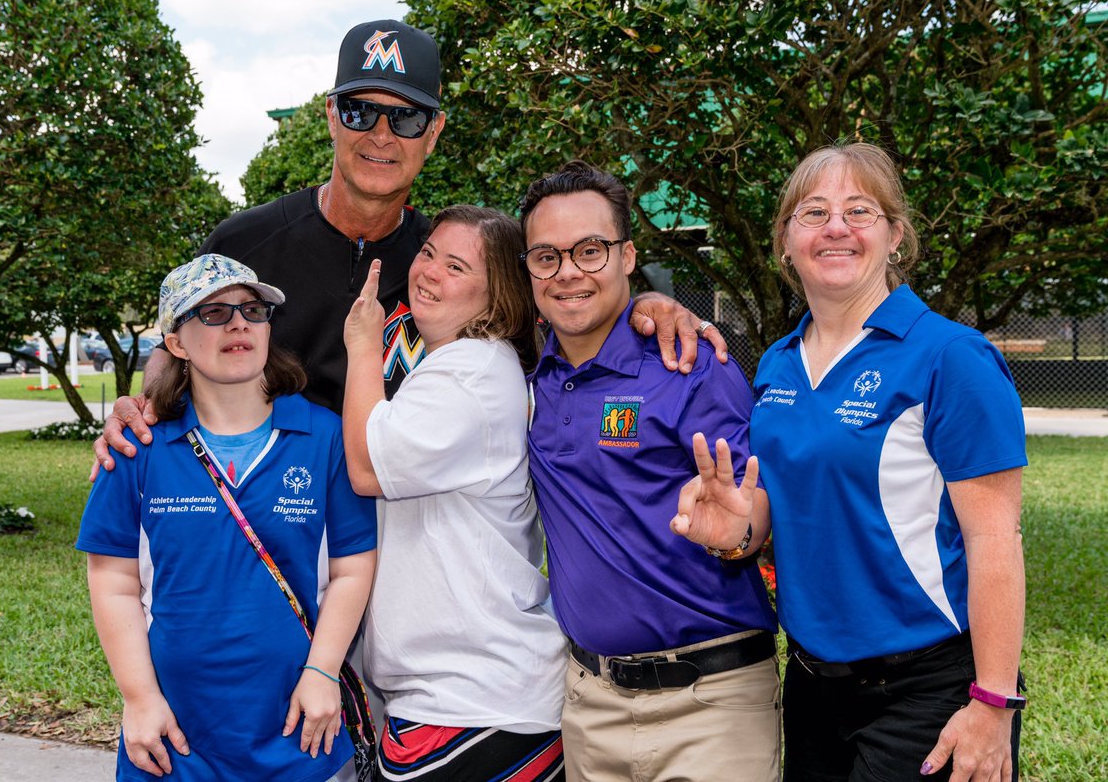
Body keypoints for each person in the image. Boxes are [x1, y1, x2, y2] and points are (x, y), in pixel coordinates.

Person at [93, 18, 725, 470]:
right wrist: (137, 404)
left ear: (435, 131)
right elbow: (177, 353)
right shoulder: (245, 240)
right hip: (269, 524)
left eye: (408, 117)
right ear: (333, 116)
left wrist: (645, 307)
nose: (382, 135)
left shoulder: (450, 266)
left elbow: (563, 314)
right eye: (362, 111)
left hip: (403, 560)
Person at [691, 142, 1028, 781]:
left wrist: (992, 701)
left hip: (927, 686)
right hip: (813, 682)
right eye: (813, 213)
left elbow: (995, 540)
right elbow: (781, 514)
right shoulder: (777, 363)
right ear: (785, 241)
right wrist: (736, 532)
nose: (836, 228)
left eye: (860, 211)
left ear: (895, 235)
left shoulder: (950, 357)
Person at [521, 160, 780, 782]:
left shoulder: (690, 363)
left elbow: (755, 506)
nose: (569, 273)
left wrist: (744, 536)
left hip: (711, 703)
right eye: (546, 257)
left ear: (628, 255)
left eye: (590, 250)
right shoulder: (527, 375)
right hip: (589, 705)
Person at [77, 254, 377, 781]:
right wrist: (139, 698)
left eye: (252, 310)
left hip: (300, 730)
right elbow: (113, 580)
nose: (239, 324)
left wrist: (323, 671)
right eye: (213, 313)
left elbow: (352, 567)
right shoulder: (137, 447)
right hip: (173, 739)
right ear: (175, 341)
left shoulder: (325, 437)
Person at [341, 205, 566, 781]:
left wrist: (363, 345)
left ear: (497, 298)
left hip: (473, 697)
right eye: (428, 253)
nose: (430, 272)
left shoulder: (470, 371)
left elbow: (366, 467)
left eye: (457, 266)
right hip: (461, 693)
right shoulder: (459, 366)